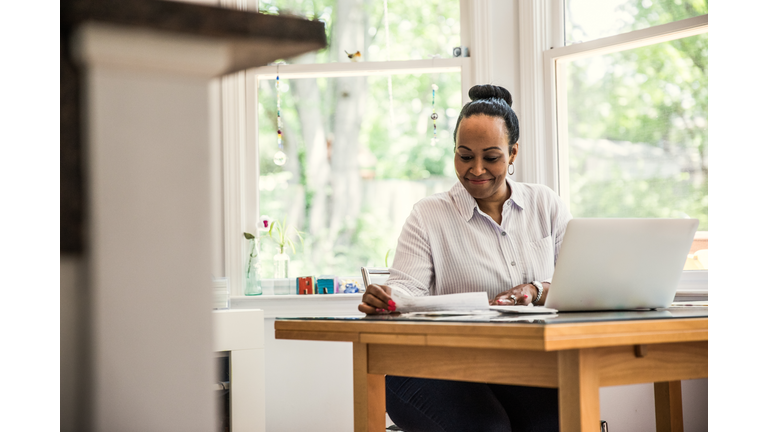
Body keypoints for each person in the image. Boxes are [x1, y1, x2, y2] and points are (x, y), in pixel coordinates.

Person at [358, 84, 572, 432]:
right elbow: (405, 290)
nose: (475, 169)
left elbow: (576, 284)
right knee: (487, 427)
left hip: (516, 364)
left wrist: (537, 289)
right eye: (464, 155)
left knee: (559, 419)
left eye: (491, 157)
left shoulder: (545, 204)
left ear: (513, 153)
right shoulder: (429, 214)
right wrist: (386, 297)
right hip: (429, 365)